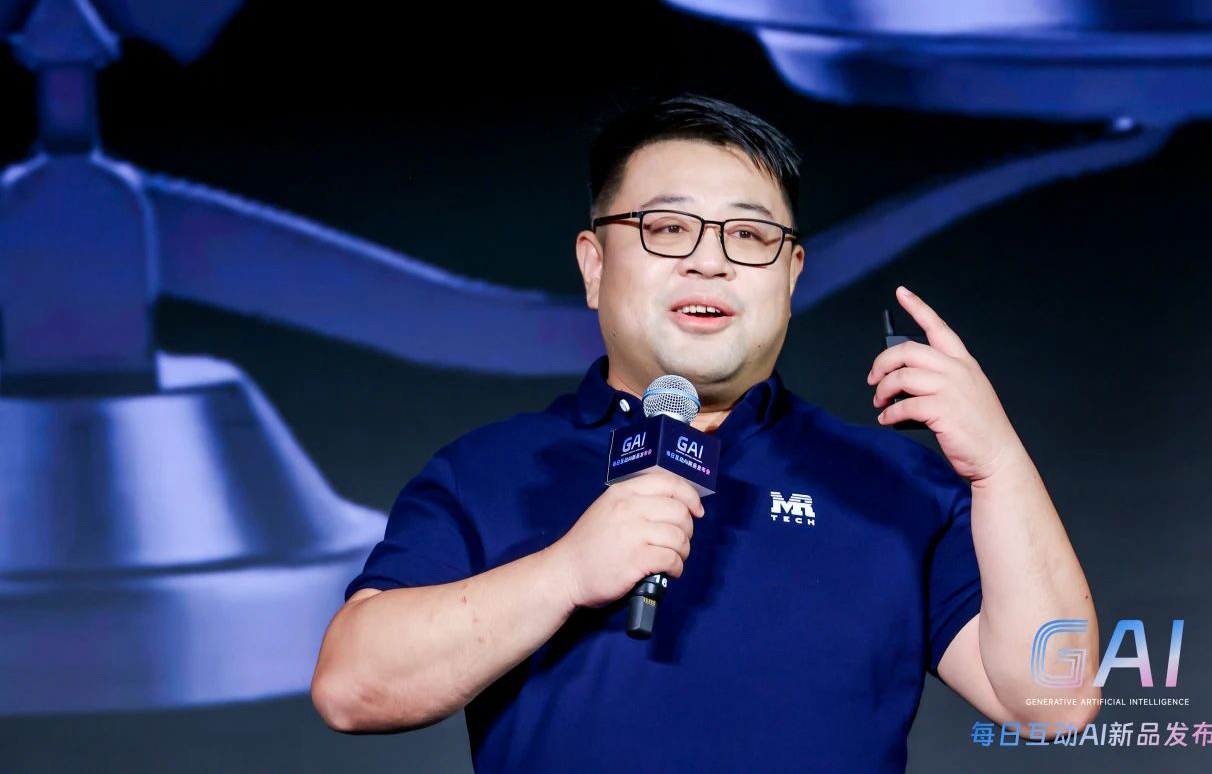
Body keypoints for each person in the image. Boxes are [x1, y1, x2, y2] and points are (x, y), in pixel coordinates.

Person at [310, 94, 1100, 771]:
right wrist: (565, 572)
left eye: (748, 235)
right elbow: (352, 687)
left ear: (791, 274)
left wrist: (999, 463)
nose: (709, 262)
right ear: (594, 264)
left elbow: (1054, 699)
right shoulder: (486, 470)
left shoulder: (895, 482)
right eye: (667, 227)